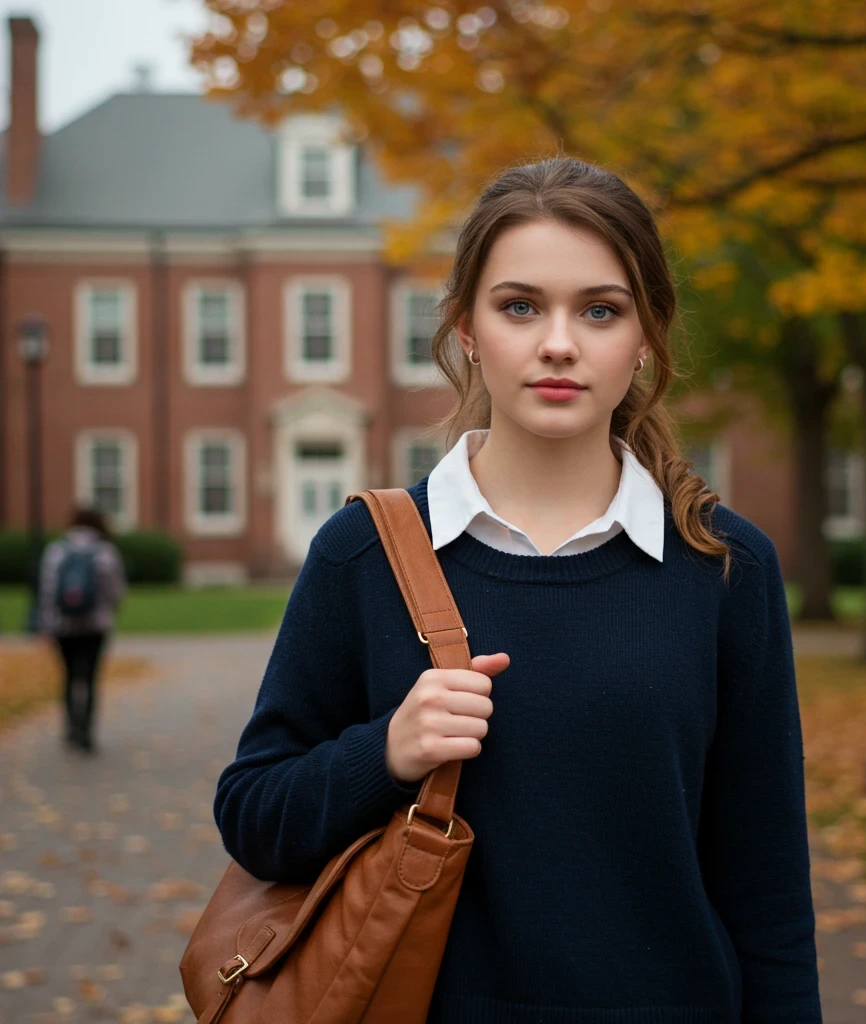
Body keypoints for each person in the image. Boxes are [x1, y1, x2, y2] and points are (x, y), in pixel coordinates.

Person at [214, 157, 822, 1022]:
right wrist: (385, 751)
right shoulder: (365, 554)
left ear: (646, 336)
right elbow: (253, 816)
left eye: (600, 310)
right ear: (466, 327)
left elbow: (767, 889)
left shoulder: (725, 567)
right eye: (520, 306)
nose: (559, 343)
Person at [38, 505, 126, 753]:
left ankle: (70, 728)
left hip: (62, 626)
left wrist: (46, 624)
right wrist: (109, 612)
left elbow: (47, 590)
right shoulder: (106, 552)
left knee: (67, 676)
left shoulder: (56, 550)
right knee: (90, 677)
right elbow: (115, 591)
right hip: (95, 626)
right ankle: (86, 732)